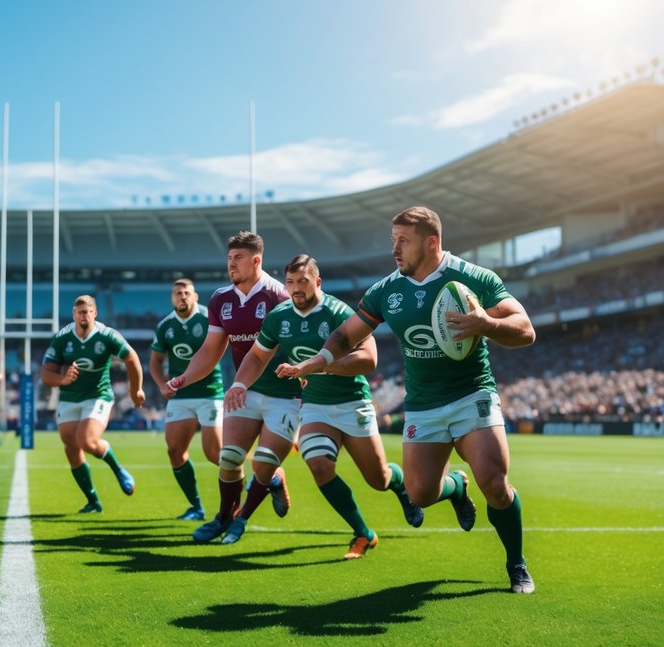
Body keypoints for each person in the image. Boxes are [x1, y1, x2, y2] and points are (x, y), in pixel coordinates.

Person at [281, 207, 536, 593]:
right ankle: (455, 486)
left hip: (472, 394)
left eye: (403, 241)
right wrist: (318, 361)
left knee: (496, 484)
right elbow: (346, 335)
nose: (395, 249)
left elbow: (525, 329)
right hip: (422, 404)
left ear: (431, 242)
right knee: (419, 493)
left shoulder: (471, 278)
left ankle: (516, 564)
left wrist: (488, 324)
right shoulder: (386, 290)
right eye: (392, 240)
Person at [224, 254, 422, 560]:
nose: (295, 289)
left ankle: (401, 488)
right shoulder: (279, 316)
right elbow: (256, 356)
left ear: (318, 282)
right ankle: (363, 533)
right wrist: (239, 384)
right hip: (315, 405)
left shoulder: (338, 312)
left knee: (378, 478)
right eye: (290, 282)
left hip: (352, 402)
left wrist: (317, 367)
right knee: (317, 464)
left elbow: (369, 359)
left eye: (302, 281)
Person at [166, 231, 298, 545]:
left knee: (262, 461)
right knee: (229, 457)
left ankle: (244, 514)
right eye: (229, 258)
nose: (231, 264)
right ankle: (224, 517)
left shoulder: (279, 297)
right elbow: (211, 350)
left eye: (238, 258)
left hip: (285, 394)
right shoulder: (221, 298)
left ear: (256, 260)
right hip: (244, 390)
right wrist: (184, 378)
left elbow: (299, 346)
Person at [40, 295, 143, 513]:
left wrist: (136, 390)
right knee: (70, 445)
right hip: (69, 397)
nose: (83, 316)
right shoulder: (62, 337)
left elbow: (132, 358)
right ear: (73, 315)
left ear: (95, 313)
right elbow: (46, 373)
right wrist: (62, 380)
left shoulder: (107, 335)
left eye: (87, 312)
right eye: (79, 312)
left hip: (98, 394)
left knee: (87, 441)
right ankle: (93, 501)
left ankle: (118, 469)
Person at [149, 279, 223, 521]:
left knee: (215, 453)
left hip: (210, 391)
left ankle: (260, 476)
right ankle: (196, 507)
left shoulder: (208, 319)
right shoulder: (165, 326)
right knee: (174, 450)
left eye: (186, 293)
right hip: (180, 396)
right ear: (172, 298)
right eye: (178, 293)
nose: (182, 297)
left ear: (195, 297)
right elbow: (156, 361)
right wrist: (162, 385)